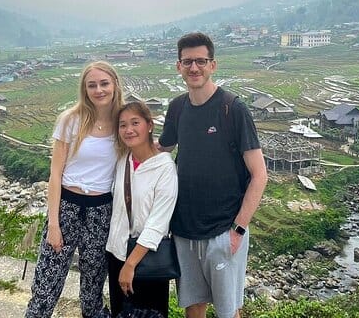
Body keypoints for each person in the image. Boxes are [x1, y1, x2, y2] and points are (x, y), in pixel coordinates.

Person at [158, 32, 268, 318]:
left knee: (228, 311)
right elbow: (160, 151)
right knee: (193, 306)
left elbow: (259, 175)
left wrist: (238, 230)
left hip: (223, 229)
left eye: (201, 61)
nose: (194, 68)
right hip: (184, 230)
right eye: (187, 62)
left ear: (213, 65)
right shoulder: (177, 108)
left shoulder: (232, 108)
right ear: (178, 66)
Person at [25, 61, 124, 318]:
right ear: (84, 89)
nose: (99, 90)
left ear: (115, 85)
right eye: (92, 85)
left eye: (104, 83)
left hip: (102, 211)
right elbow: (55, 175)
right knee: (46, 284)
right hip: (67, 207)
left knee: (93, 287)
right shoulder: (70, 120)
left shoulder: (122, 123)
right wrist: (53, 224)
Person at [106, 101, 178, 318]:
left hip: (147, 261)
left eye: (135, 123)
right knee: (120, 313)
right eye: (123, 125)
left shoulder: (165, 168)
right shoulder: (122, 161)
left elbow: (158, 223)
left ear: (150, 125)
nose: (129, 130)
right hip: (117, 253)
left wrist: (130, 265)